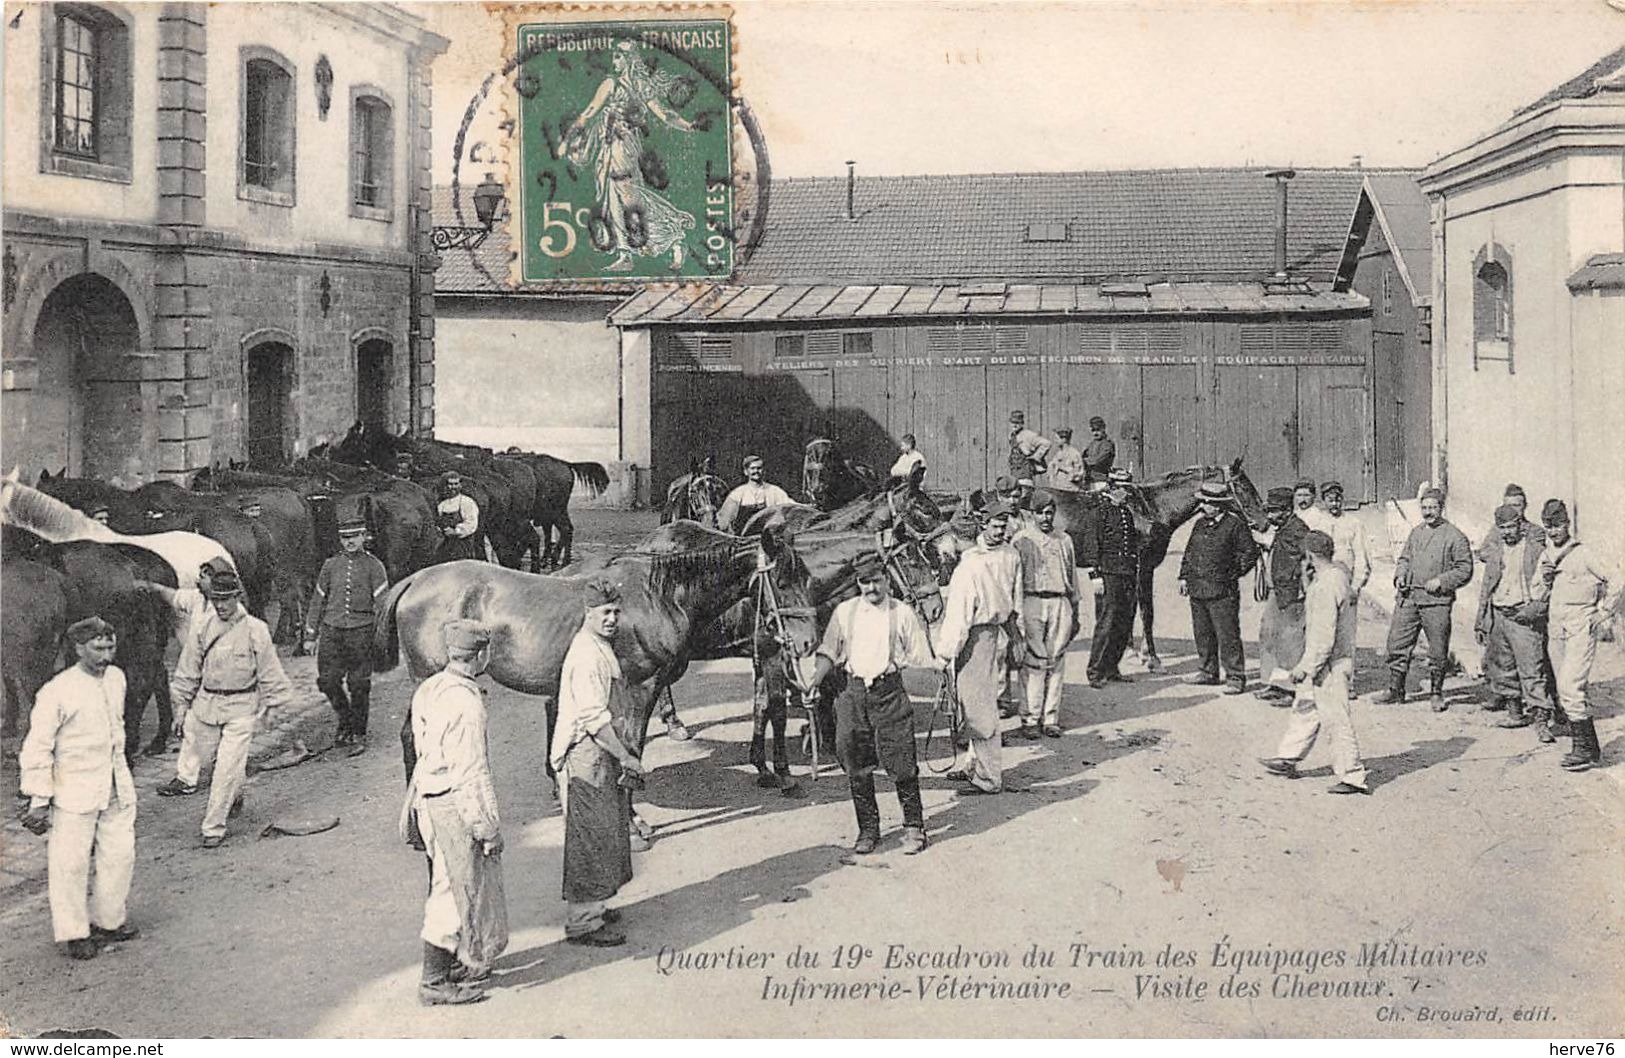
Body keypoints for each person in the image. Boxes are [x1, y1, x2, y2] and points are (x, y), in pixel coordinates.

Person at [19, 617, 140, 961]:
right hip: (74, 789)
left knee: (120, 855)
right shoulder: (57, 690)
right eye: (97, 648)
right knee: (70, 864)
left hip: (116, 784)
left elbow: (118, 732)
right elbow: (37, 746)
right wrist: (39, 798)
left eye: (110, 647)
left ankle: (110, 920)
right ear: (78, 649)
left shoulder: (117, 679)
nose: (105, 655)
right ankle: (74, 932)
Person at [401, 619, 507, 1004]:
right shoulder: (465, 703)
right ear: (481, 655)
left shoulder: (430, 687)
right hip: (452, 801)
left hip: (428, 796)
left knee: (450, 884)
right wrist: (487, 827)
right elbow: (470, 773)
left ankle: (451, 963)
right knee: (452, 889)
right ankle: (434, 980)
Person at [807, 551, 937, 854]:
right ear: (858, 582)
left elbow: (920, 656)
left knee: (902, 763)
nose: (871, 589)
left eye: (876, 581)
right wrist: (814, 680)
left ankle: (914, 827)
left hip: (889, 693)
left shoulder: (901, 613)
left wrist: (941, 666)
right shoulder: (845, 612)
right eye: (864, 583)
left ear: (886, 580)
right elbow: (828, 651)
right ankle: (868, 829)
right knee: (856, 765)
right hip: (852, 695)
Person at [169, 570, 297, 847]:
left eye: (226, 599)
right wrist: (180, 706)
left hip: (241, 705)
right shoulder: (202, 627)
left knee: (226, 765)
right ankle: (235, 792)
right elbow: (188, 669)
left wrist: (273, 705)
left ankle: (213, 827)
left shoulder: (255, 630)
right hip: (207, 704)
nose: (221, 606)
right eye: (216, 600)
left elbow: (270, 671)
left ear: (238, 597)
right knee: (205, 760)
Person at [553, 579, 645, 946]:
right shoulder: (587, 654)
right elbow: (593, 717)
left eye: (615, 612)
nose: (611, 619)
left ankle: (596, 905)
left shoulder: (598, 644)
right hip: (585, 752)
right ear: (587, 613)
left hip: (599, 750)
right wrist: (626, 755)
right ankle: (582, 923)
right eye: (604, 613)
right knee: (588, 836)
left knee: (605, 830)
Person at [1259, 531, 1370, 794]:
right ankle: (1288, 757)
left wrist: (1305, 669)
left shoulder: (1324, 588)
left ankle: (1353, 775)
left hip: (1329, 664)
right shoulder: (1337, 576)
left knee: (1336, 719)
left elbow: (1323, 637)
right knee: (1306, 707)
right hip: (1333, 659)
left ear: (1309, 556)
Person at [936, 502, 1024, 794]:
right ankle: (974, 764)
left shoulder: (997, 559)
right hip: (984, 636)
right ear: (982, 526)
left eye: (1004, 525)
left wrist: (946, 653)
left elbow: (961, 615)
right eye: (995, 526)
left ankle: (988, 777)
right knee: (974, 703)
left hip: (981, 637)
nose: (1000, 531)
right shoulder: (974, 559)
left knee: (979, 708)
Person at [1531, 499, 1621, 772]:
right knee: (1565, 688)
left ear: (1567, 524)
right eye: (1549, 527)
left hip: (1581, 623)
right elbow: (1536, 594)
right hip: (1556, 626)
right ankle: (1589, 749)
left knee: (1571, 686)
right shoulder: (1546, 555)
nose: (1554, 532)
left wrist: (1604, 611)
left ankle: (1582, 749)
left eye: (1558, 526)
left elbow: (1617, 578)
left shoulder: (1583, 553)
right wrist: (1545, 581)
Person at [1376, 487, 1473, 712]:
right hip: (1409, 597)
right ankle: (1395, 689)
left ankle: (1436, 693)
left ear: (1442, 508)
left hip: (1436, 602)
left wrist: (1442, 580)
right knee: (1397, 643)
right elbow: (1404, 558)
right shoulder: (1416, 532)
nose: (1428, 512)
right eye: (1424, 507)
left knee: (1437, 650)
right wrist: (1400, 575)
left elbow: (1465, 568)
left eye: (1433, 507)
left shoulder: (1454, 536)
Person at [305, 517, 390, 755]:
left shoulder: (375, 566)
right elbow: (317, 600)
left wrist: (382, 635)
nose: (350, 542)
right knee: (327, 681)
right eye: (345, 537)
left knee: (359, 684)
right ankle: (345, 720)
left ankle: (358, 733)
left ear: (364, 536)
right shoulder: (330, 565)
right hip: (331, 632)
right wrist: (310, 634)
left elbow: (383, 604)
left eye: (354, 537)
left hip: (361, 632)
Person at [151, 556, 236, 787]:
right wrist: (150, 586)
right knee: (193, 726)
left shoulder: (229, 611)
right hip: (200, 675)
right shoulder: (198, 600)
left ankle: (218, 776)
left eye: (204, 576)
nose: (199, 581)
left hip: (219, 677)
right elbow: (174, 596)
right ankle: (189, 777)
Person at [1179, 482, 1261, 694]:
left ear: (1218, 505)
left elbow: (1249, 554)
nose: (1203, 506)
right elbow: (1189, 553)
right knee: (1203, 633)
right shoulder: (1199, 525)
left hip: (1222, 592)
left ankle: (1235, 677)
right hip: (1197, 589)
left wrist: (1230, 574)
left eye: (1207, 502)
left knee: (1227, 634)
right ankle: (1207, 671)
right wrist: (1183, 577)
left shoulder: (1234, 525)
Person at [1474, 503, 1550, 731]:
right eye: (1503, 528)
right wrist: (1481, 620)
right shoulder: (1496, 552)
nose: (1508, 532)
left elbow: (1548, 585)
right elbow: (1486, 588)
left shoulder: (1535, 550)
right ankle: (1515, 713)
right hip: (1500, 615)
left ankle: (1542, 721)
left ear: (1520, 525)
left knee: (1532, 669)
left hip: (1523, 617)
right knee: (1503, 667)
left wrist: (1535, 609)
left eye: (1511, 527)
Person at [1011, 491, 1080, 738]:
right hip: (1032, 601)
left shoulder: (1064, 540)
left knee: (1057, 660)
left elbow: (1072, 578)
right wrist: (1015, 614)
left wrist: (1076, 610)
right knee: (1034, 661)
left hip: (1060, 601)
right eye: (1040, 512)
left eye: (1049, 512)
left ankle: (1051, 718)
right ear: (1031, 514)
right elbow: (1014, 579)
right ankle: (1029, 718)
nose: (1045, 517)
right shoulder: (1021, 540)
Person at [1080, 471, 1140, 687]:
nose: (1128, 492)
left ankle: (1112, 667)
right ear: (1113, 488)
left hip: (1126, 574)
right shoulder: (1099, 513)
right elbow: (1091, 546)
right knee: (1106, 622)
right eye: (1125, 488)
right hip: (1108, 574)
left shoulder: (1125, 513)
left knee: (1124, 623)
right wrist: (1095, 576)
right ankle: (1095, 671)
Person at [1255, 487, 1310, 704]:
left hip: (1291, 594)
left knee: (1290, 641)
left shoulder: (1298, 530)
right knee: (1269, 635)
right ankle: (1274, 683)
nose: (1269, 516)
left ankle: (1291, 690)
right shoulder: (1284, 528)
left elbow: (1306, 560)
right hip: (1277, 591)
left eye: (1274, 511)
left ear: (1287, 510)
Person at [1318, 482, 1371, 608]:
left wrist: (1356, 586)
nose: (1334, 504)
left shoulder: (1353, 523)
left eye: (1338, 500)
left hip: (1345, 581)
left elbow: (1361, 556)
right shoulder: (1318, 522)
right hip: (1322, 582)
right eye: (1330, 500)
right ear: (1323, 501)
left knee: (1345, 623)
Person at [716, 455, 794, 534]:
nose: (756, 471)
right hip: (744, 541)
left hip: (768, 539)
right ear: (746, 472)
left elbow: (791, 506)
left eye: (759, 468)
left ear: (763, 471)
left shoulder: (774, 491)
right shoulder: (737, 494)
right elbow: (724, 520)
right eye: (752, 468)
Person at [435, 472, 483, 563]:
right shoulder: (442, 504)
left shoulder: (467, 502)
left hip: (463, 545)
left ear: (460, 485)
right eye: (450, 484)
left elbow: (471, 523)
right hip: (446, 545)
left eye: (456, 484)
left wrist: (455, 531)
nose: (453, 487)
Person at [1007, 411, 1051, 480]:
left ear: (1022, 423)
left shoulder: (1028, 435)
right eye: (1013, 422)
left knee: (1025, 488)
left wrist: (1036, 456)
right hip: (1014, 471)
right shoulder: (1011, 435)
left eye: (1017, 423)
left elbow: (1046, 443)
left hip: (1025, 471)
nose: (1014, 425)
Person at [1048, 428, 1086, 493]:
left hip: (1070, 490)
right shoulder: (1057, 454)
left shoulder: (1074, 454)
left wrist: (1065, 469)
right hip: (1058, 488)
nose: (1055, 441)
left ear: (1064, 439)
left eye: (1057, 439)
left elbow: (1079, 473)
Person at [1082, 417, 1116, 489]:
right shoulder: (1091, 444)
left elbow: (1097, 460)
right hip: (1089, 480)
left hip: (1101, 480)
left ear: (1103, 429)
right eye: (1093, 430)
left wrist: (1083, 461)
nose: (1095, 433)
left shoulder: (1107, 444)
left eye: (1098, 430)